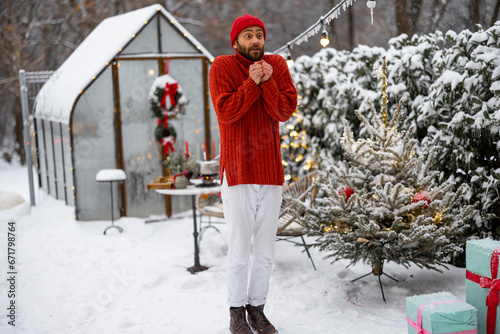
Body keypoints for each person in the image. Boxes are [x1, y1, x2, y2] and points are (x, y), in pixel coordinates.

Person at [209, 14, 298, 334]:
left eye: (259, 34)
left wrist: (269, 81)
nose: (255, 40)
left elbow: (284, 111)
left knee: (265, 250)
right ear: (235, 42)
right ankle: (236, 312)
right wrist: (252, 82)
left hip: (270, 172)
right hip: (237, 172)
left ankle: (257, 308)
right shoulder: (221, 66)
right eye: (248, 36)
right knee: (238, 249)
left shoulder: (277, 65)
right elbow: (227, 111)